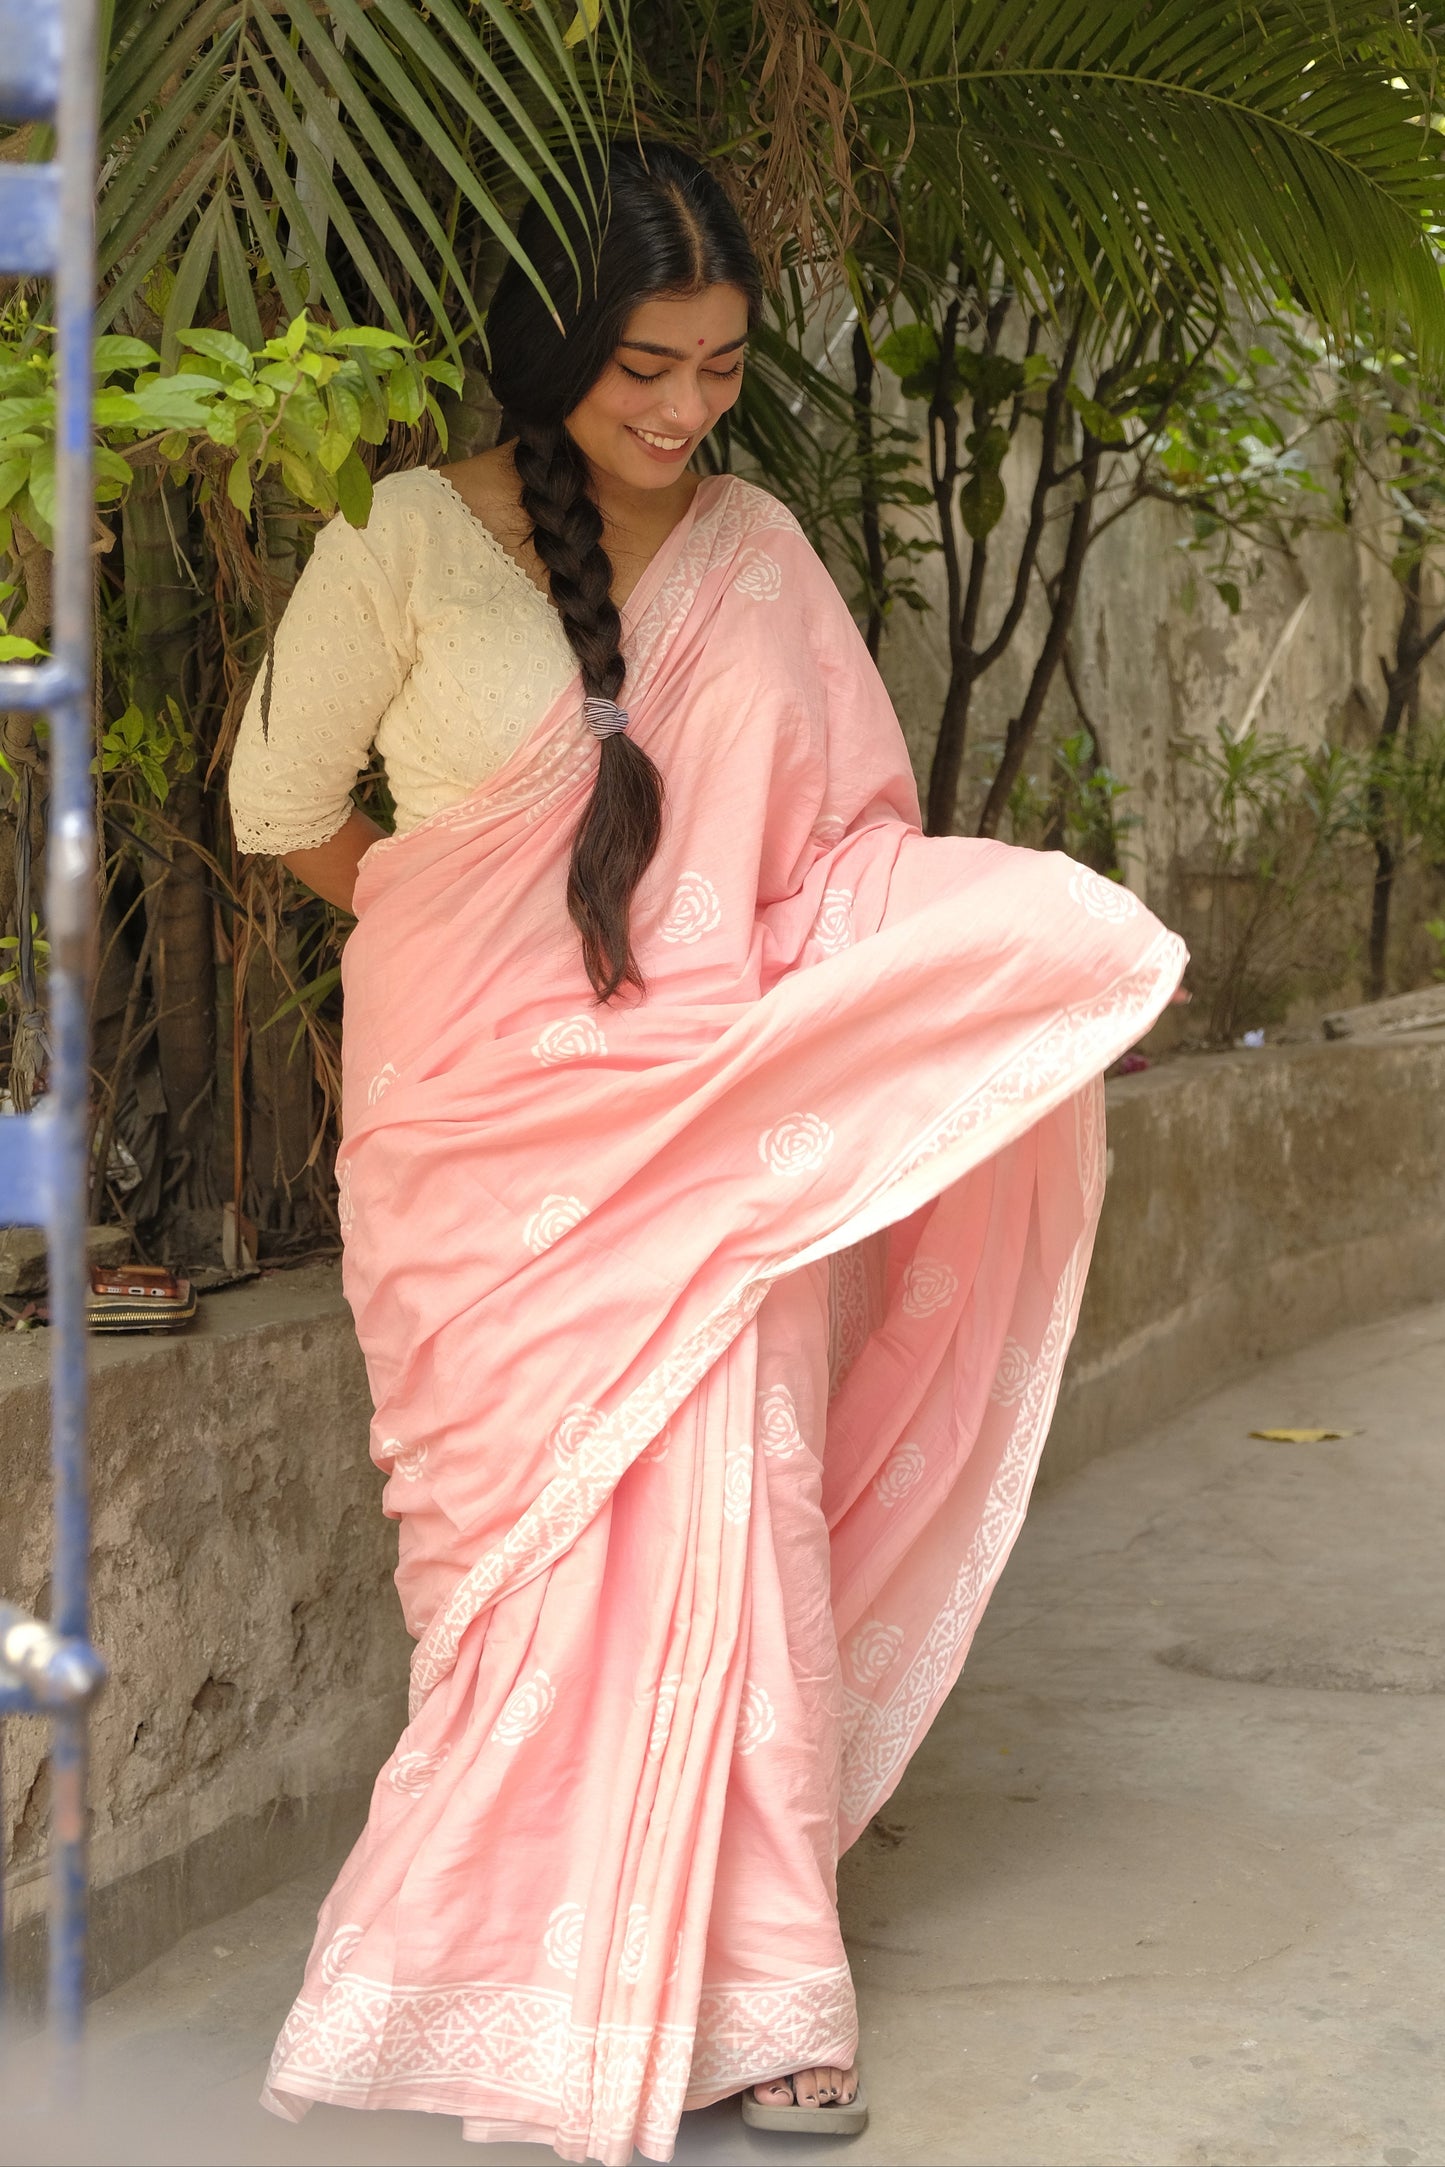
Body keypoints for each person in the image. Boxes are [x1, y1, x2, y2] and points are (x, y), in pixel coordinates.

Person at [228, 141, 1186, 2166]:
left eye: (720, 366)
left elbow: (835, 851)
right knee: (505, 1574)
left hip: (714, 1128)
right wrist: (473, 945)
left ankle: (768, 1993)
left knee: (736, 1546)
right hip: (474, 1150)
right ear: (549, 349)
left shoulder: (758, 554)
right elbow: (284, 808)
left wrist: (981, 945)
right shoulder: (398, 543)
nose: (681, 410)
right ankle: (509, 1972)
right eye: (639, 368)